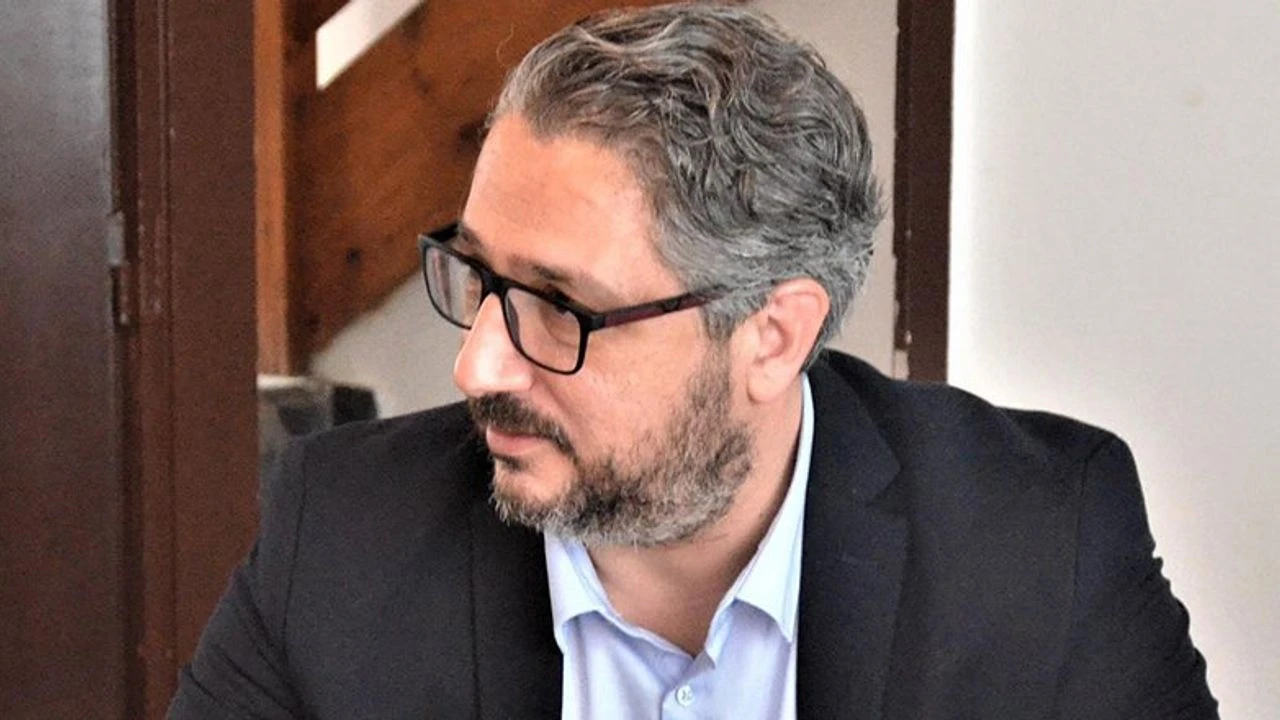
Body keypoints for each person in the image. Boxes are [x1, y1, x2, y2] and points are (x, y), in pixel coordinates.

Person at [169, 3, 1217, 718]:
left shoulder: (1039, 542)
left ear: (773, 335)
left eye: (559, 307)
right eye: (478, 276)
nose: (477, 367)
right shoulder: (341, 529)